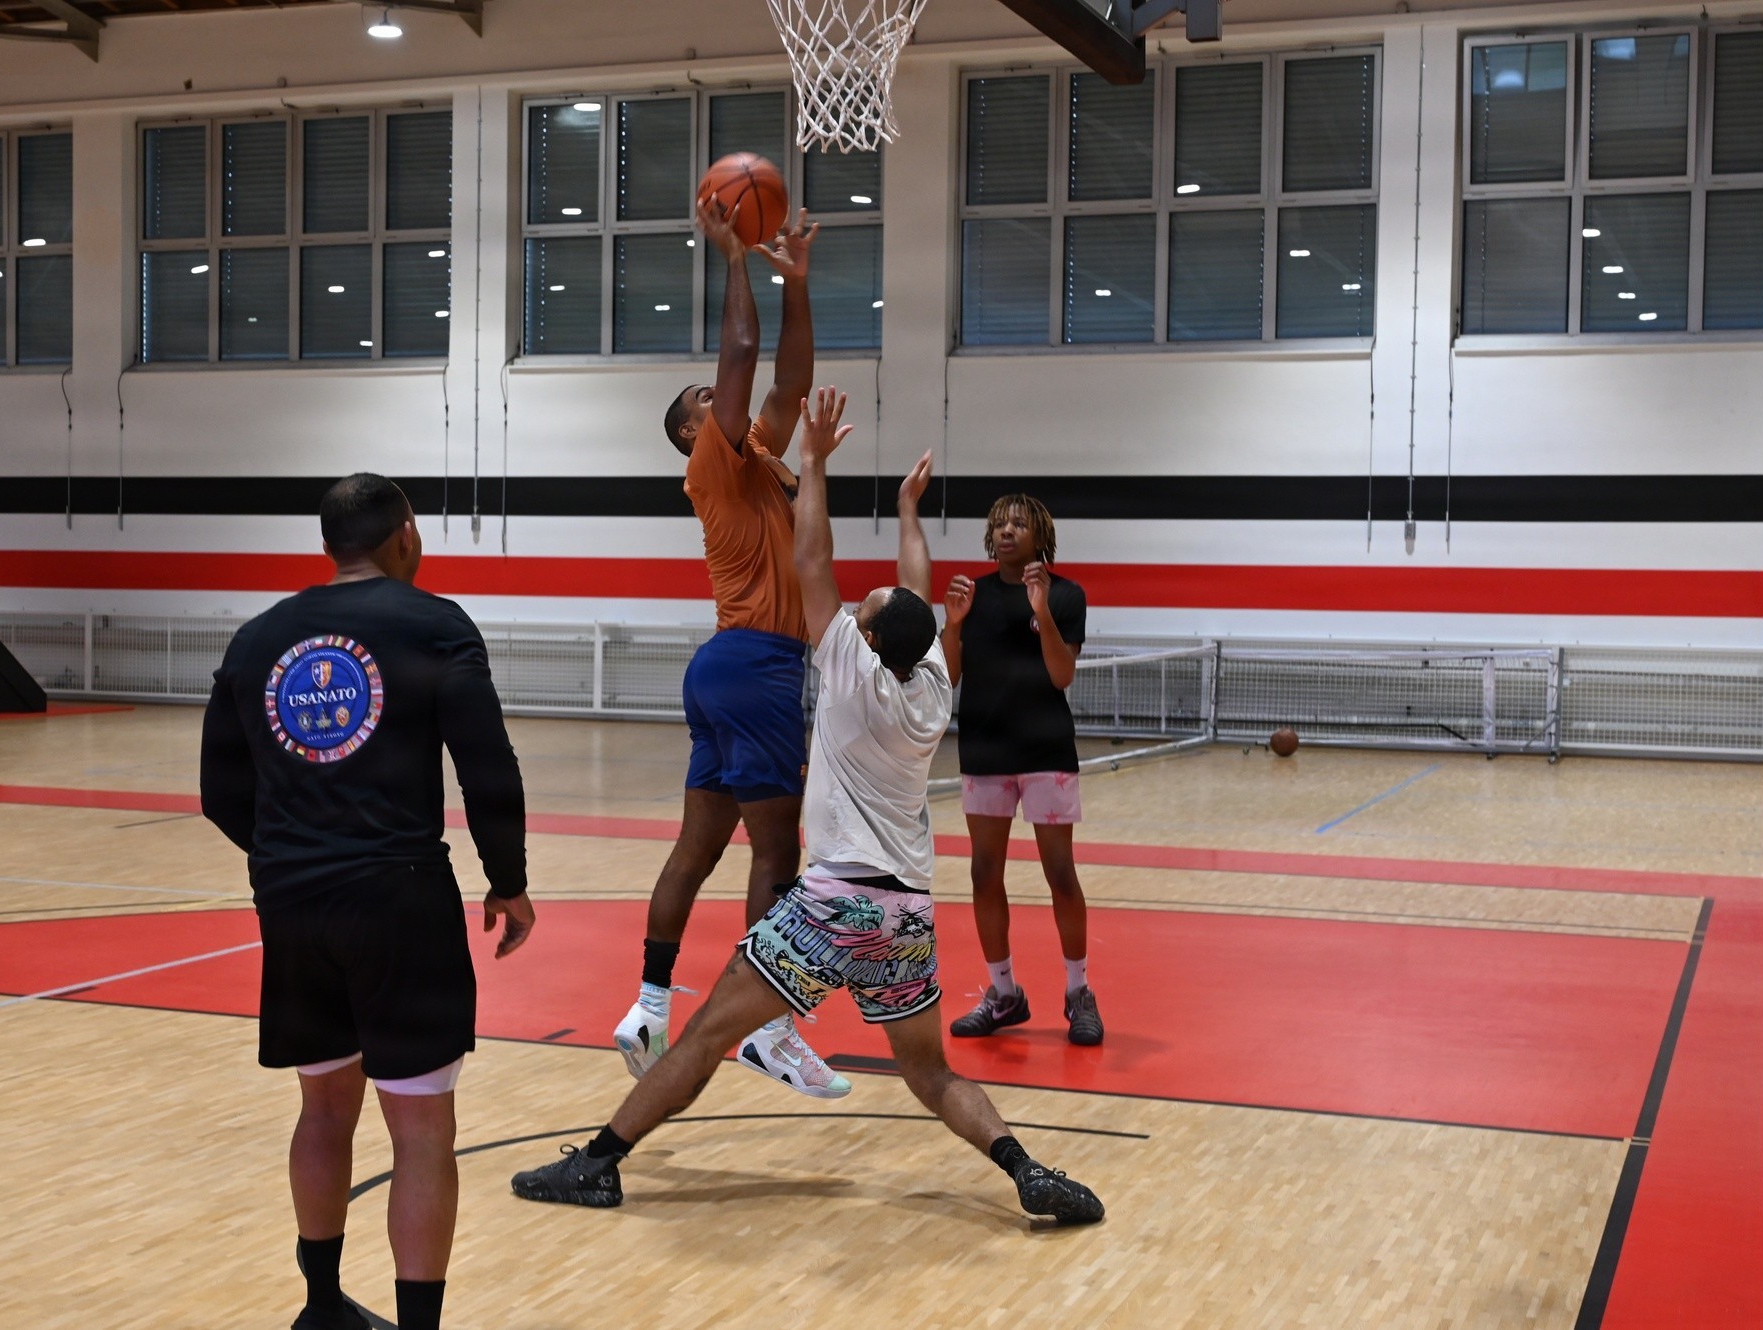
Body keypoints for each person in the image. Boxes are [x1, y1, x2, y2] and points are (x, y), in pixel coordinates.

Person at [509, 389, 1104, 1229]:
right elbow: (913, 586)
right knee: (930, 1072)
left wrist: (815, 463)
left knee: (705, 1033)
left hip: (832, 904)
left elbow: (812, 559)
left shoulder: (850, 673)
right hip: (904, 914)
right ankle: (1025, 1169)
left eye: (862, 614)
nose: (854, 609)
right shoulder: (932, 686)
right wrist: (906, 511)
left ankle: (599, 1164)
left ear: (866, 640)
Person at [199, 473, 535, 1330]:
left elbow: (219, 792)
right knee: (421, 1132)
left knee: (322, 1108)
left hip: (291, 902)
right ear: (407, 536)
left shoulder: (257, 638)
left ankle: (321, 1309)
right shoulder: (435, 624)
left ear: (327, 545)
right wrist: (507, 878)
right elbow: (487, 764)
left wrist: (290, 856)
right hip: (399, 898)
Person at [614, 196, 851, 1099]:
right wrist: (735, 258)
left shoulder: (760, 459)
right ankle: (770, 1027)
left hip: (726, 665)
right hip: (755, 664)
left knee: (699, 845)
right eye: (706, 400)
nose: (722, 399)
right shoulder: (713, 459)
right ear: (690, 431)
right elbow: (746, 359)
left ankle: (647, 1007)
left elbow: (790, 381)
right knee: (776, 853)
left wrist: (798, 281)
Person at [940, 496, 1103, 1046]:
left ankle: (1079, 992)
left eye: (1017, 523)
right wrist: (952, 625)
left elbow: (1062, 675)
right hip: (985, 752)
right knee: (984, 873)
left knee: (1060, 873)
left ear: (1040, 534)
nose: (1006, 531)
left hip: (1045, 752)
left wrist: (1043, 612)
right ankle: (1004, 994)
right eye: (998, 524)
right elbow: (949, 676)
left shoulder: (1066, 594)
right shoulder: (973, 595)